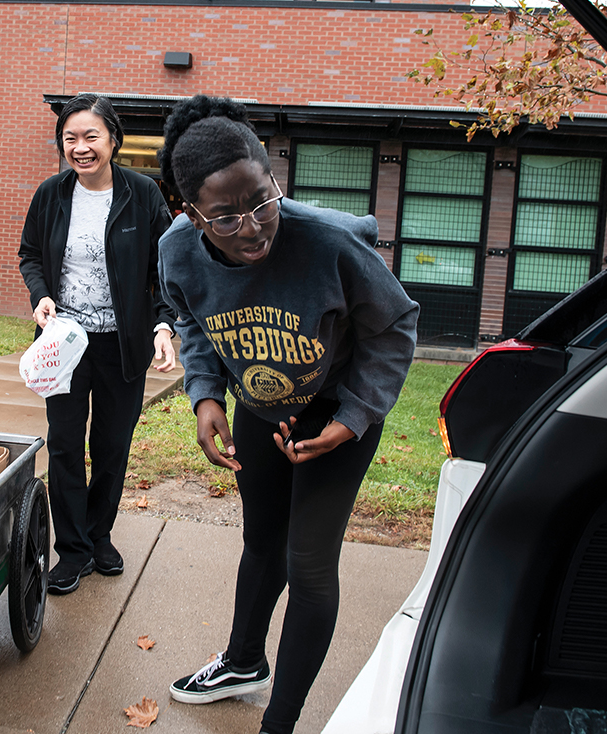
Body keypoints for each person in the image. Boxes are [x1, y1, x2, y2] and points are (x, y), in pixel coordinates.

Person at [156, 96, 419, 734]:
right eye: (226, 217)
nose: (252, 227)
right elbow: (189, 317)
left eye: (263, 200)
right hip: (260, 406)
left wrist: (354, 417)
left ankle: (280, 722)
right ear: (191, 215)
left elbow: (395, 326)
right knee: (261, 541)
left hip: (336, 416)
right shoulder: (177, 252)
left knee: (308, 563)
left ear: (273, 180)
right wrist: (206, 392)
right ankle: (244, 662)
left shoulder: (328, 241)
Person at [18, 93, 177, 595]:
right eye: (70, 138)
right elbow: (30, 255)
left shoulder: (143, 194)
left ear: (112, 139)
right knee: (65, 445)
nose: (80, 147)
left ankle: (100, 535)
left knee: (112, 445)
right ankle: (73, 549)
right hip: (64, 341)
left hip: (121, 344)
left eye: (91, 136)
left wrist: (162, 325)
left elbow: (165, 268)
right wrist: (40, 296)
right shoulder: (51, 193)